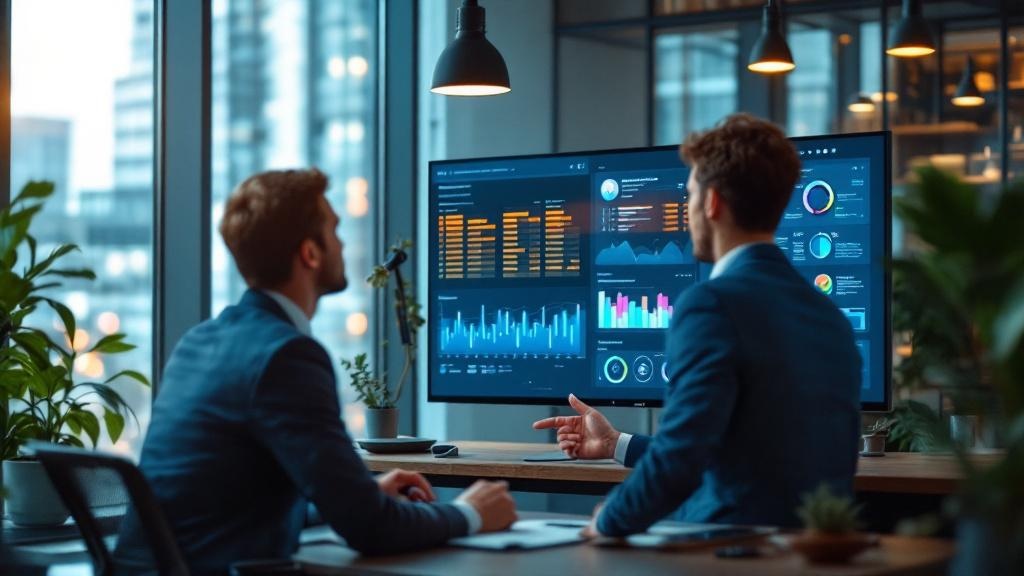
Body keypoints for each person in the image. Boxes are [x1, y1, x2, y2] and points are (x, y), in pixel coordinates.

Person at [117, 169, 516, 575]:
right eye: (334, 229)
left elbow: (226, 513)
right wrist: (471, 513)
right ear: (310, 253)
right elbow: (371, 530)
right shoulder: (286, 355)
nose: (343, 243)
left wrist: (362, 498)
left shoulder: (200, 341)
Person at [534, 114, 862, 536]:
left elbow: (682, 460)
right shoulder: (829, 315)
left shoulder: (712, 304)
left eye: (688, 196)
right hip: (807, 550)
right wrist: (617, 443)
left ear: (712, 203)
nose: (687, 212)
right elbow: (746, 453)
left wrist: (608, 521)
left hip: (724, 549)